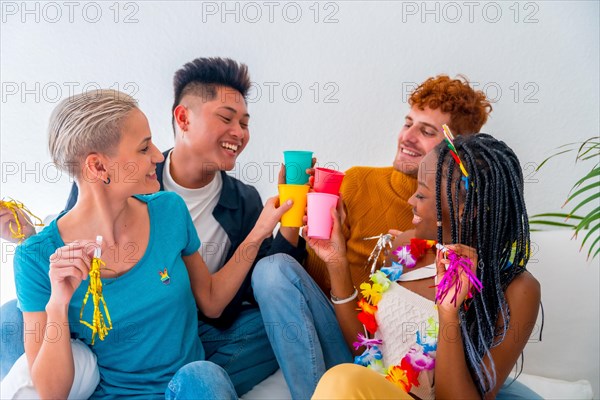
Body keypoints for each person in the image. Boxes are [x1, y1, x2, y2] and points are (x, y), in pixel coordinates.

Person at [1, 58, 307, 395]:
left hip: (191, 384)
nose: (158, 156)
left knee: (209, 372)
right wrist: (58, 304)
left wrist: (263, 228)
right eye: (144, 147)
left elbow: (211, 300)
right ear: (98, 166)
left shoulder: (168, 210)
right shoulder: (35, 258)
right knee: (8, 320)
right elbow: (52, 392)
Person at [309, 133, 542, 399]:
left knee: (344, 378)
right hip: (368, 391)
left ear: (469, 209)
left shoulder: (517, 290)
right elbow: (366, 350)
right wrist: (336, 263)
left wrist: (448, 313)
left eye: (421, 193)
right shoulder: (407, 246)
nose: (410, 201)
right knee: (346, 377)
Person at [304, 75, 493, 294]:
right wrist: (317, 229)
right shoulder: (356, 182)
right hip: (332, 315)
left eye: (427, 131)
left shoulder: (461, 217)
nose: (407, 137)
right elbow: (313, 285)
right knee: (274, 269)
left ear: (457, 149)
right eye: (408, 123)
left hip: (397, 325)